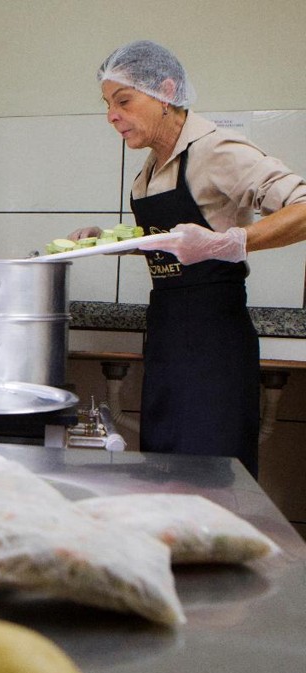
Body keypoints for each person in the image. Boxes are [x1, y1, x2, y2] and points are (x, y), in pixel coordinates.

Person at [72, 40, 306, 478]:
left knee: (210, 476)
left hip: (213, 339)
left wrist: (230, 243)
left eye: (123, 101)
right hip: (166, 333)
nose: (111, 116)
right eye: (107, 104)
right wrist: (111, 240)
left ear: (165, 92)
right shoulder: (150, 168)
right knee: (165, 470)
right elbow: (174, 241)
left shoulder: (216, 150)